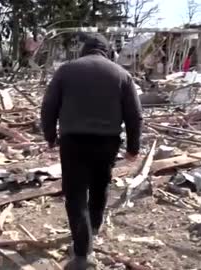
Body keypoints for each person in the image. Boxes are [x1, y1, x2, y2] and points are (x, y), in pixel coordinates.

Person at [41, 33, 142, 270]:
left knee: (75, 194)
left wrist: (50, 136)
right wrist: (133, 147)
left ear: (83, 51)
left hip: (73, 141)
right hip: (107, 142)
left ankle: (82, 254)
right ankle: (92, 231)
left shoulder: (66, 70)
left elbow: (48, 105)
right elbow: (134, 115)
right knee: (100, 187)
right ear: (108, 52)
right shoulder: (121, 74)